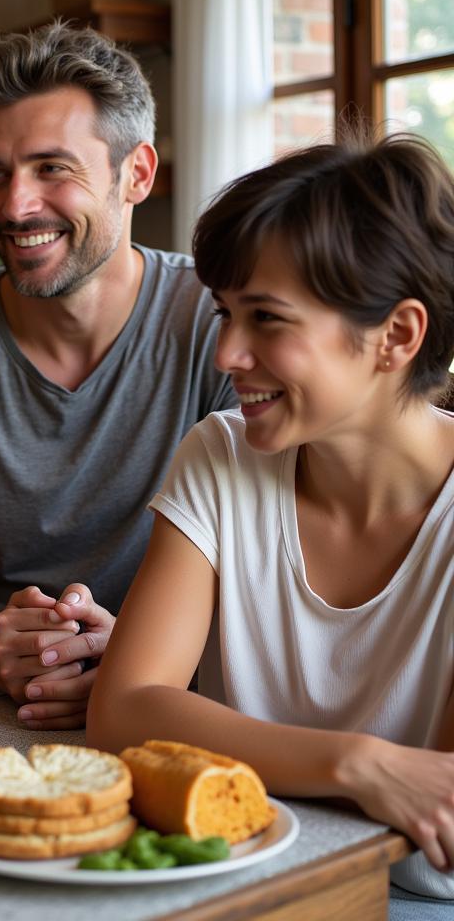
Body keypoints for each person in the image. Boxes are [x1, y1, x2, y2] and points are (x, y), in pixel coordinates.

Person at [86, 134, 454, 908]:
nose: (226, 352)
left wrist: (225, 746)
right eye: (225, 313)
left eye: (267, 319)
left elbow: (439, 836)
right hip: (237, 885)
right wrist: (358, 764)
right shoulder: (220, 456)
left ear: (397, 335)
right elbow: (122, 712)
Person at [0, 21, 234, 727]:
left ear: (139, 174)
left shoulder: (220, 326)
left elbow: (268, 585)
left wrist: (137, 660)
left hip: (186, 708)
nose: (14, 206)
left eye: (52, 168)